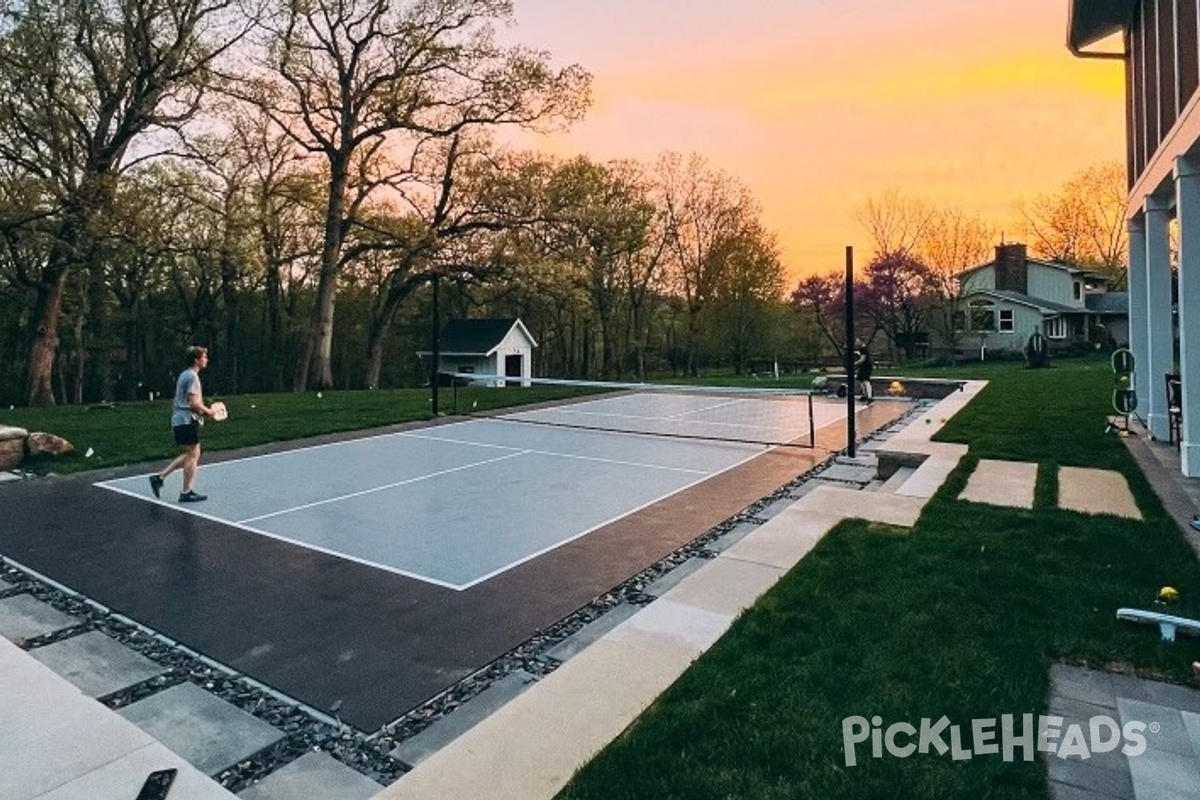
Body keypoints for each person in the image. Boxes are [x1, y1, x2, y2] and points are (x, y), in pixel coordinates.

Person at [150, 346, 216, 503]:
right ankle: (186, 492)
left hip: (181, 419)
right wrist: (208, 412)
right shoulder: (192, 377)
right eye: (204, 357)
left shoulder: (185, 375)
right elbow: (193, 403)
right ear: (196, 360)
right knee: (193, 454)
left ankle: (159, 478)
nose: (206, 360)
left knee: (192, 454)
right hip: (186, 420)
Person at [854, 338, 873, 403]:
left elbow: (862, 359)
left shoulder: (863, 349)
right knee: (860, 380)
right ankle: (864, 395)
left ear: (861, 342)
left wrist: (855, 363)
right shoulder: (861, 349)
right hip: (863, 367)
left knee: (866, 381)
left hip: (866, 367)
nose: (856, 343)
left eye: (857, 341)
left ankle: (870, 397)